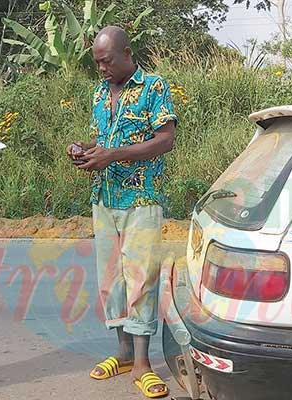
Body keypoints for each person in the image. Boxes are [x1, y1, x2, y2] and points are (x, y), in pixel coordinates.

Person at [66, 26, 177, 399]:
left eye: (107, 61)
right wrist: (84, 148)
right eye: (97, 62)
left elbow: (166, 140)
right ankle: (124, 353)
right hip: (104, 198)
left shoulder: (154, 87)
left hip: (141, 200)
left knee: (141, 279)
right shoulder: (100, 91)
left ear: (127, 53)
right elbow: (104, 139)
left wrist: (111, 155)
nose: (102, 69)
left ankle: (144, 364)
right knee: (110, 280)